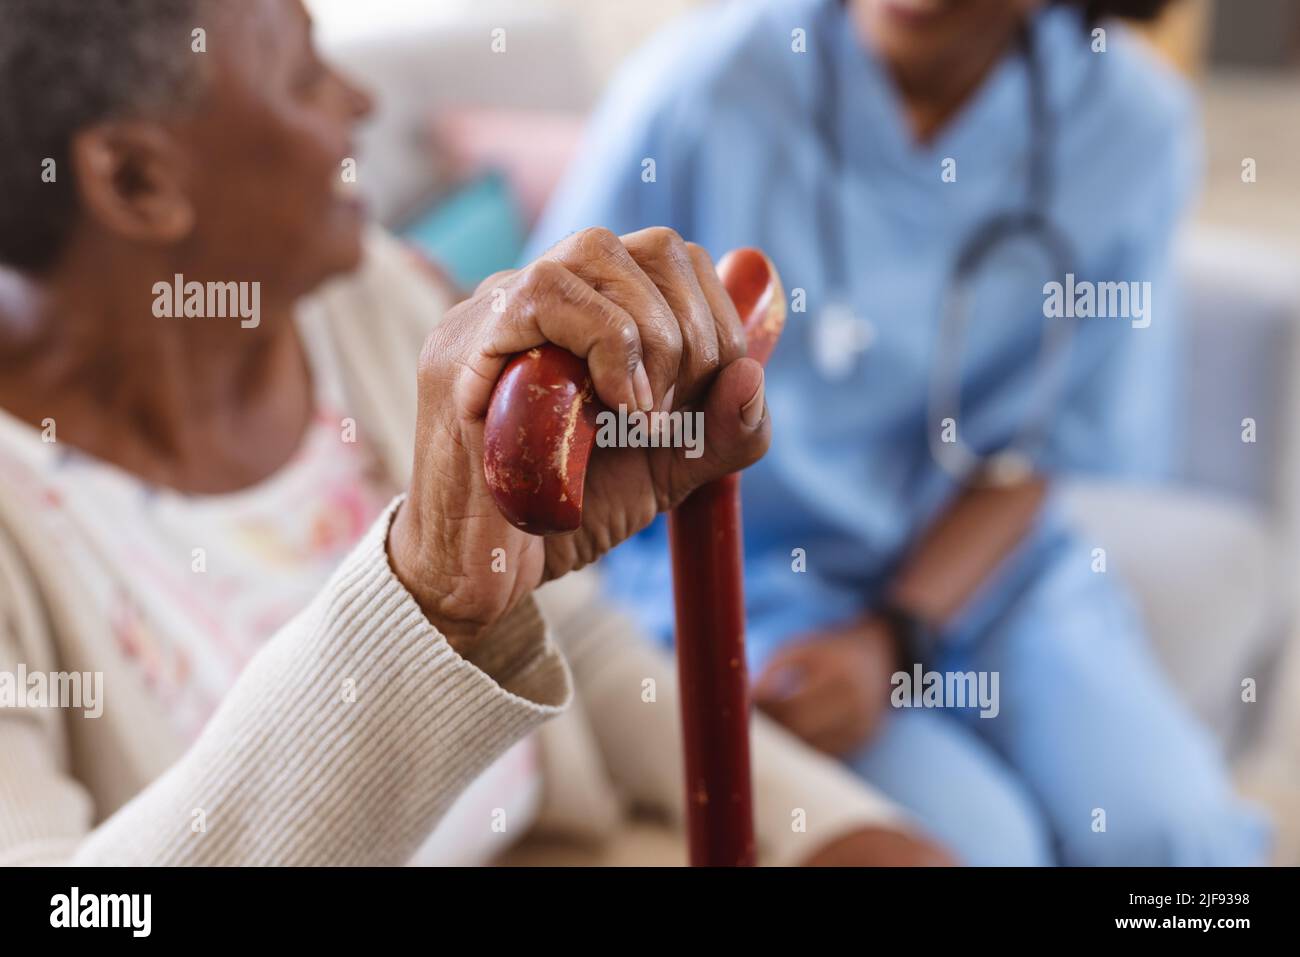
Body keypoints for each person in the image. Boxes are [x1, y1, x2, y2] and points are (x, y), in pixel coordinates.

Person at [0, 0, 949, 866]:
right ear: (134, 179)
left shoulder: (362, 295)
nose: (360, 101)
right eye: (301, 77)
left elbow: (580, 641)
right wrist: (425, 594)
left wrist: (834, 828)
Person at [530, 0, 1273, 865]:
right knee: (986, 843)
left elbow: (1043, 444)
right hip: (753, 581)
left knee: (1179, 841)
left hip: (994, 575)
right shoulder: (704, 89)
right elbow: (557, 362)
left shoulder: (1128, 127)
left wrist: (896, 635)